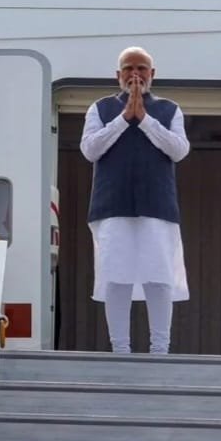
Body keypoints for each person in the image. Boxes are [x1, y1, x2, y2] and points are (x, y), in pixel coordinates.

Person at [79, 46, 190, 354]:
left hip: (157, 206)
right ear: (118, 74)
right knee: (116, 277)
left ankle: (160, 349)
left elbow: (179, 150)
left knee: (159, 276)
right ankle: (120, 349)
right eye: (129, 68)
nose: (135, 74)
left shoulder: (170, 109)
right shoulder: (100, 108)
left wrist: (144, 119)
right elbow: (90, 149)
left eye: (141, 68)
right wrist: (124, 118)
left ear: (152, 74)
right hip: (113, 205)